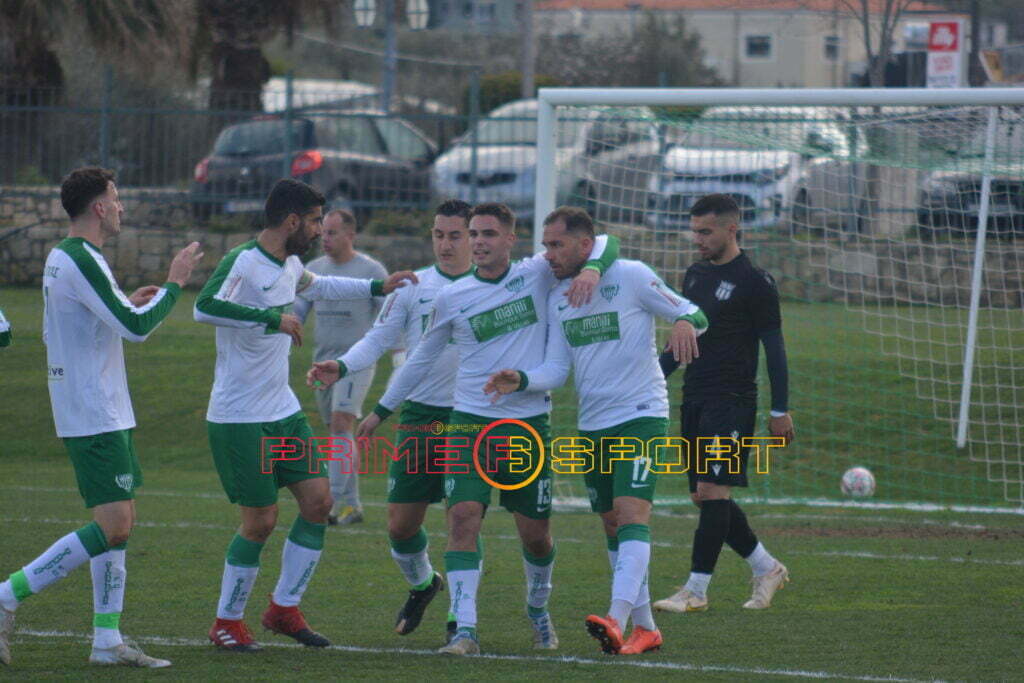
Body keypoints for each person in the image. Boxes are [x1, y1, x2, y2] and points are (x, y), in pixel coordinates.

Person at [310, 202, 619, 656]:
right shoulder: (444, 295)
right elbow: (418, 357)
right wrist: (379, 410)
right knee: (457, 520)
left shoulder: (536, 273)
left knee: (536, 536)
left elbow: (605, 242)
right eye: (469, 234)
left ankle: (537, 608)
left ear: (511, 239)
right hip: (465, 422)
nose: (474, 242)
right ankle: (464, 629)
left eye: (484, 234)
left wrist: (591, 270)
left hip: (525, 426)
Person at [194, 179, 416, 653]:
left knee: (318, 502)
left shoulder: (292, 264)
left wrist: (377, 285)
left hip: (282, 409)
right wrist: (271, 318)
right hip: (240, 417)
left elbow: (322, 285)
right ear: (292, 220)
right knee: (260, 521)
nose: (318, 230)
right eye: (315, 221)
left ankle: (283, 609)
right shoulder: (243, 261)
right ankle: (226, 622)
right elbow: (204, 306)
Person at [0, 166, 202, 668]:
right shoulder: (80, 258)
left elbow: (78, 324)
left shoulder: (69, 257)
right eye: (115, 198)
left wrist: (122, 304)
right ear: (98, 207)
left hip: (101, 406)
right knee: (114, 525)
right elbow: (136, 328)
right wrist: (175, 283)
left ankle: (106, 641)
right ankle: (5, 595)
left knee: (118, 527)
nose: (120, 207)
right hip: (93, 409)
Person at [483, 207, 707, 655]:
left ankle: (616, 618)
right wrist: (522, 379)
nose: (548, 254)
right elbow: (557, 368)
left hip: (641, 414)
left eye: (556, 244)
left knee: (632, 515)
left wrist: (684, 321)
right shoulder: (558, 297)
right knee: (611, 521)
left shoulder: (631, 275)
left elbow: (695, 313)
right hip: (593, 424)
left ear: (586, 246)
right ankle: (646, 629)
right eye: (545, 245)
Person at [307, 199, 473, 640]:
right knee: (400, 527)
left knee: (462, 519)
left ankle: (462, 619)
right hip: (419, 413)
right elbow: (378, 338)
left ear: (473, 237)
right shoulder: (414, 286)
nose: (446, 244)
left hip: (472, 415)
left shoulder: (493, 286)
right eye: (439, 235)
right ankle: (424, 584)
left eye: (455, 236)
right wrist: (342, 365)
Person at [652, 193, 795, 614]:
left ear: (732, 229)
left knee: (714, 491)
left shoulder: (755, 281)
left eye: (705, 231)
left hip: (732, 401)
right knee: (703, 496)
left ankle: (695, 591)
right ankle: (767, 567)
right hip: (695, 396)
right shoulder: (695, 275)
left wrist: (779, 410)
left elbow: (775, 348)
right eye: (694, 231)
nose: (697, 239)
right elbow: (684, 339)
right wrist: (650, 380)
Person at [294, 208, 390, 526]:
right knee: (337, 432)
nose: (325, 238)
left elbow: (390, 314)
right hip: (323, 362)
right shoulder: (313, 269)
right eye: (323, 232)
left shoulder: (370, 270)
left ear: (351, 235)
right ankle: (353, 506)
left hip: (356, 363)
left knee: (340, 423)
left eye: (332, 232)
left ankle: (331, 504)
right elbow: (299, 310)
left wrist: (398, 350)